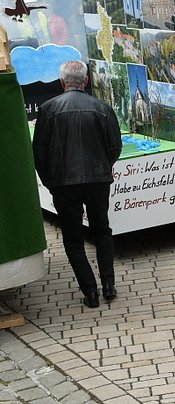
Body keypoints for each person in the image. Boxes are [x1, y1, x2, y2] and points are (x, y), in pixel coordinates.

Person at [32, 61, 122, 308]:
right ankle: (109, 285)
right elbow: (115, 147)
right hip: (98, 180)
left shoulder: (48, 109)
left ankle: (90, 291)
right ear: (86, 81)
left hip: (63, 184)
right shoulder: (102, 108)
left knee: (73, 239)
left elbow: (38, 152)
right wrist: (104, 167)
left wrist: (50, 181)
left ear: (62, 83)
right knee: (102, 230)